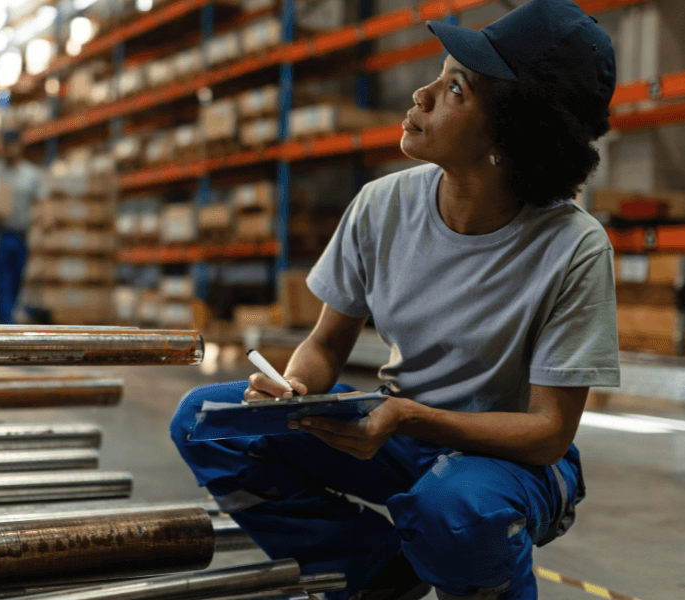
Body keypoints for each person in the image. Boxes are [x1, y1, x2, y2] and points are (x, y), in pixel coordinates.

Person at [170, 1, 620, 599]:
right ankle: (373, 575)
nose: (421, 94)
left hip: (507, 465)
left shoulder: (574, 247)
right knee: (210, 424)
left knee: (453, 510)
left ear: (511, 133)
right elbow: (326, 344)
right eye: (437, 75)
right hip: (397, 431)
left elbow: (548, 431)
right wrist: (293, 389)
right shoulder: (383, 205)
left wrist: (409, 415)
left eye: (455, 88)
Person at [0, 126, 48, 324]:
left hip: (21, 236)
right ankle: (6, 324)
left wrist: (44, 224)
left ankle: (4, 321)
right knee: (3, 283)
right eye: (6, 146)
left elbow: (42, 204)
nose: (10, 150)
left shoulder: (31, 174)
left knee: (16, 282)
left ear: (20, 147)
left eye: (13, 145)